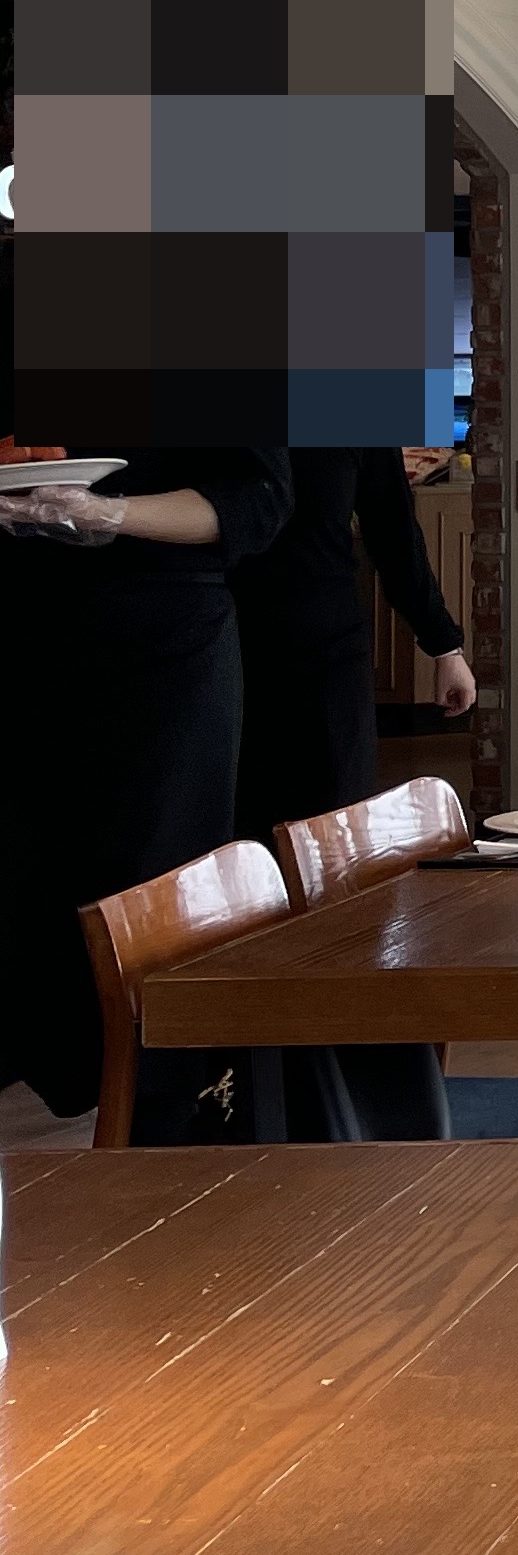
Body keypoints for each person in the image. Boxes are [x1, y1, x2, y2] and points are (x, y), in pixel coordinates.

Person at [0, 451, 293, 1131]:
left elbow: (259, 499)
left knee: (154, 880)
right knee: (22, 881)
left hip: (165, 642)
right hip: (18, 632)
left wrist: (110, 514)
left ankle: (163, 1116)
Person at [233, 445, 477, 844]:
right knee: (237, 831)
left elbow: (394, 533)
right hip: (222, 648)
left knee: (335, 825)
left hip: (328, 652)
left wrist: (444, 646)